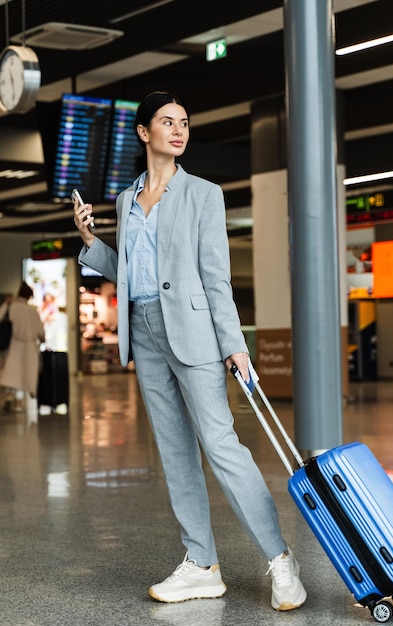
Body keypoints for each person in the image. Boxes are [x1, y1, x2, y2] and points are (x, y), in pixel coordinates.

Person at [73, 91, 306, 612]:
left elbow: (215, 278)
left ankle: (281, 559)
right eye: (167, 121)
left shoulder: (204, 193)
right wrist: (90, 241)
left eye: (184, 122)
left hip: (195, 331)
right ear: (143, 132)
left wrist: (234, 345)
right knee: (175, 453)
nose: (178, 130)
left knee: (221, 446)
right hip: (146, 331)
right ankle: (201, 563)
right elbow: (132, 274)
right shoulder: (126, 199)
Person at [0, 282, 45, 413]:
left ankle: (10, 397)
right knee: (24, 375)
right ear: (29, 297)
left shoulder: (9, 306)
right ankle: (19, 401)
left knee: (11, 374)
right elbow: (41, 333)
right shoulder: (32, 312)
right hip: (29, 347)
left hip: (12, 345)